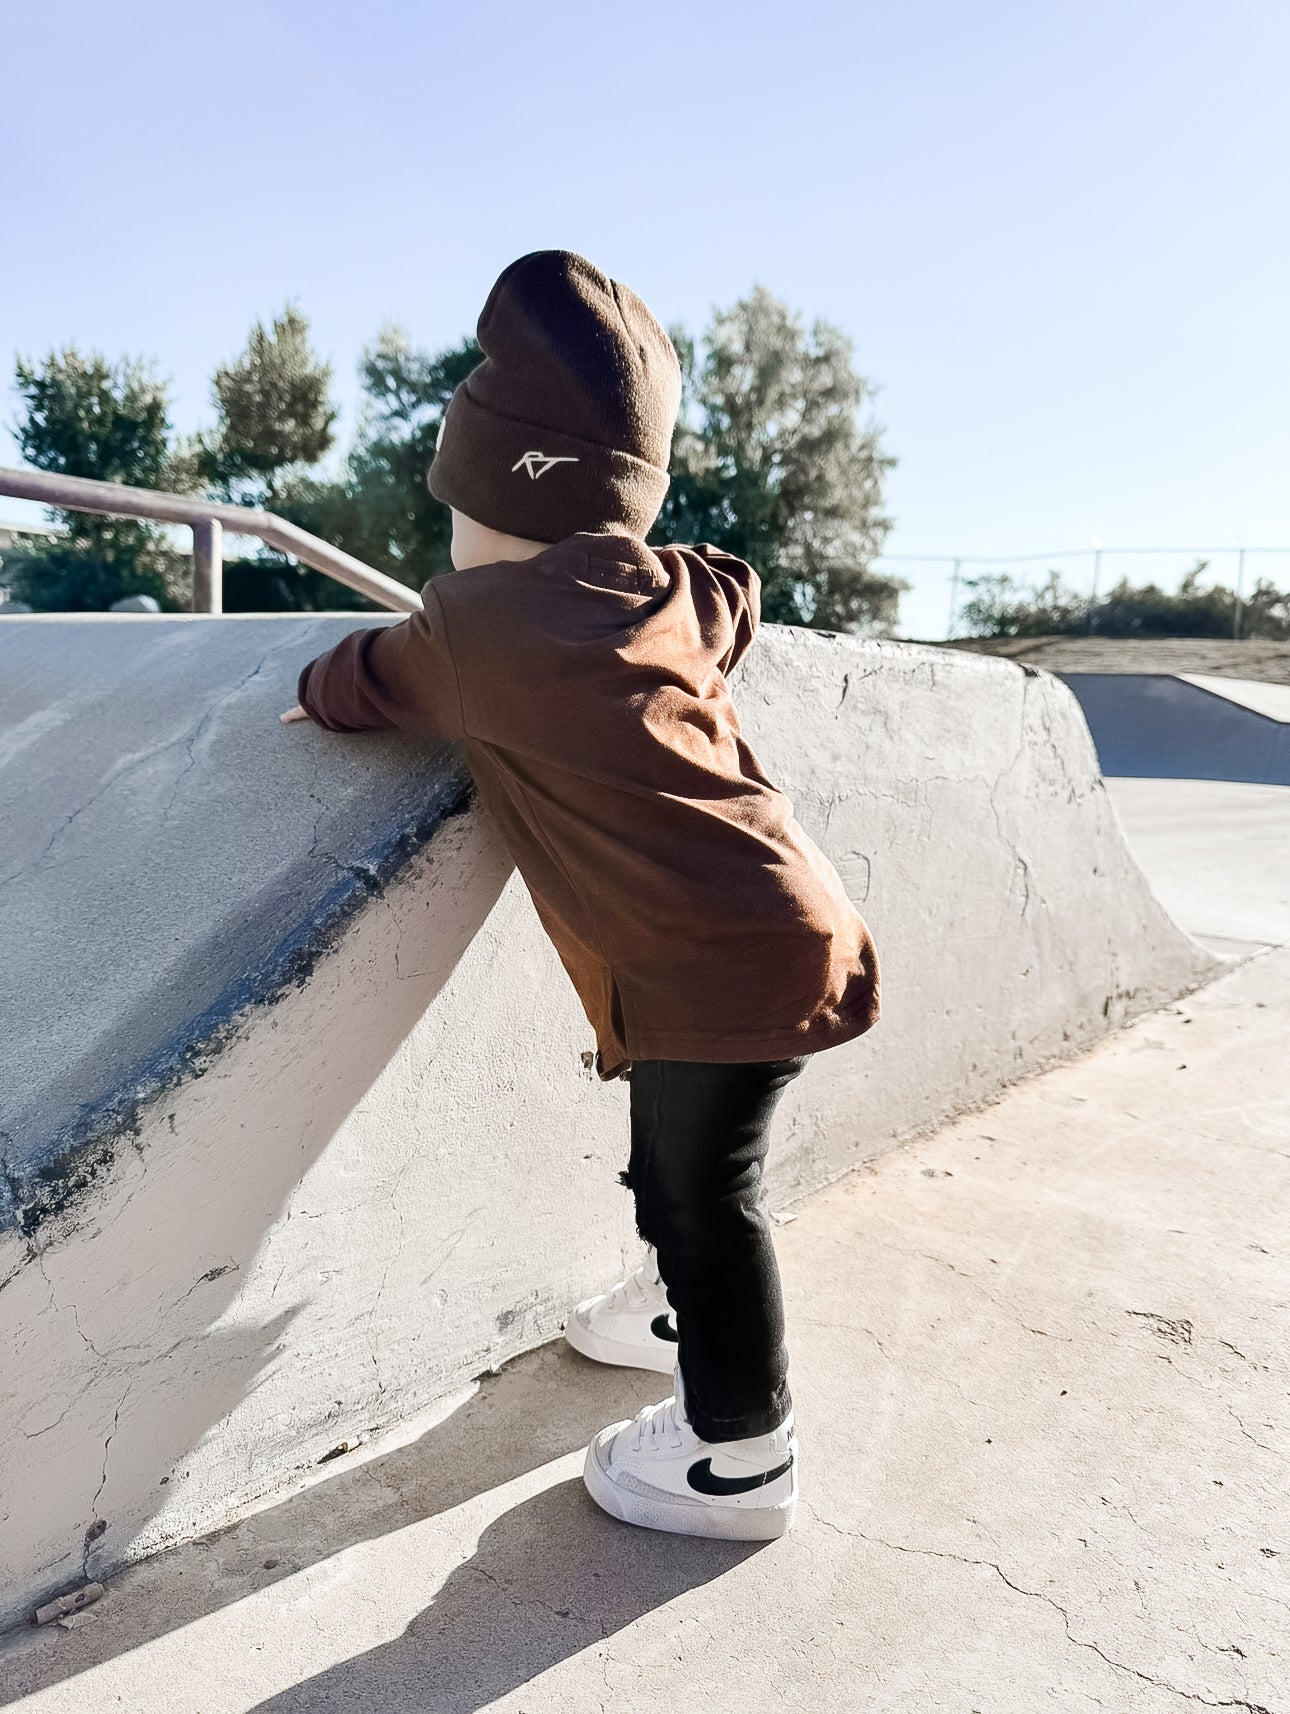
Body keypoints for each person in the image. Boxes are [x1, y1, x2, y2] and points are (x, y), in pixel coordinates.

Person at [283, 250, 880, 1541]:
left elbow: (360, 678)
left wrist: (310, 693)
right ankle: (676, 1312)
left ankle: (741, 1455)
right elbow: (732, 585)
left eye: (457, 506)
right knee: (682, 1166)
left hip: (711, 959)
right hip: (782, 920)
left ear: (496, 500)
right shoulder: (677, 593)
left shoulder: (478, 628)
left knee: (702, 1196)